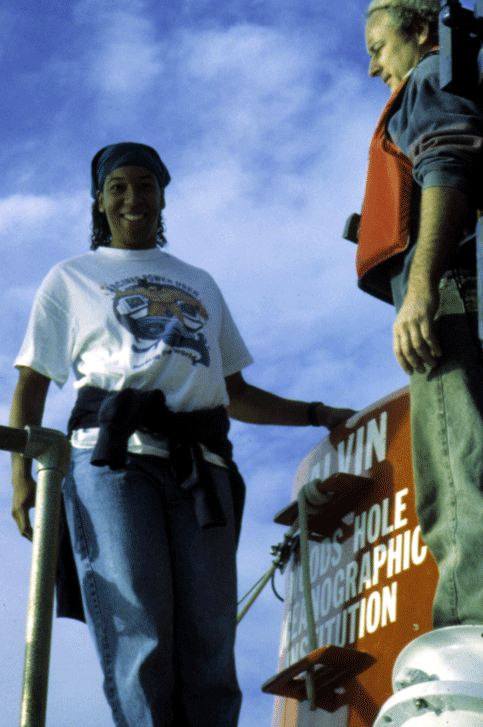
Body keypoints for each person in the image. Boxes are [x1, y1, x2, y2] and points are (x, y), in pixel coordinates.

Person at [9, 142, 355, 727]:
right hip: (111, 463)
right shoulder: (72, 278)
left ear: (163, 193)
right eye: (117, 187)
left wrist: (317, 413)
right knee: (138, 627)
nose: (132, 198)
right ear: (99, 200)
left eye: (144, 185)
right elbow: (31, 387)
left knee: (210, 639)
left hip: (203, 467)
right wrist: (23, 481)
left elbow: (235, 392)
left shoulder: (199, 282)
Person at [358, 0, 483, 628]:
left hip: (453, 301)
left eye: (380, 47)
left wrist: (421, 288)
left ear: (423, 32)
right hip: (467, 289)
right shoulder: (459, 80)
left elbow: (444, 166)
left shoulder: (430, 77)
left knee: (458, 478)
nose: (376, 66)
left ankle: (467, 634)